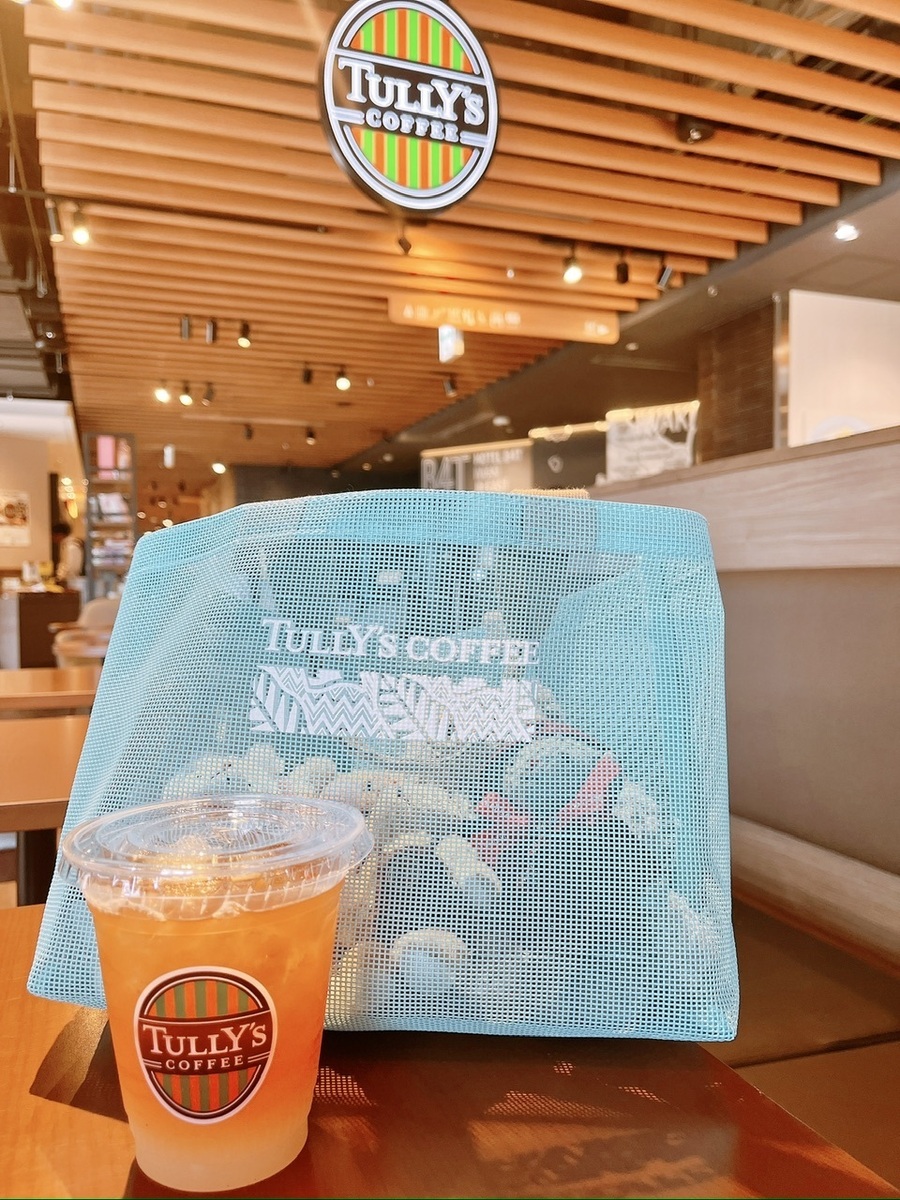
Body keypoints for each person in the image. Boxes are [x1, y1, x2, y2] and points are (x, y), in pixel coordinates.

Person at [52, 521, 85, 592]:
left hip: (73, 583)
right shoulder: (65, 545)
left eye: (54, 535)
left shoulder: (72, 546)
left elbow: (72, 568)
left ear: (60, 535)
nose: (53, 538)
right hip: (69, 582)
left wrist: (62, 579)